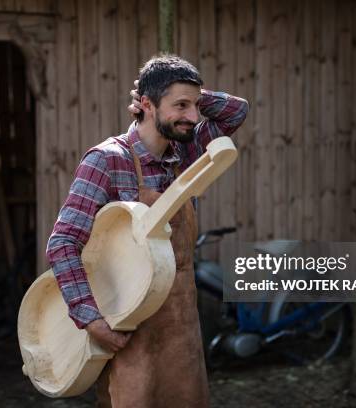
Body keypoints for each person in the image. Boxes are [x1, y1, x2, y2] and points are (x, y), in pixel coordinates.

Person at [46, 54, 249, 407]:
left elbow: (236, 112)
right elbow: (63, 243)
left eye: (196, 106)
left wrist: (191, 93)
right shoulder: (107, 160)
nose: (193, 116)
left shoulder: (184, 153)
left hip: (182, 329)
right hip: (130, 331)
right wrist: (90, 319)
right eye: (181, 105)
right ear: (146, 105)